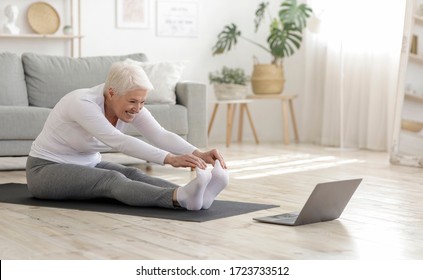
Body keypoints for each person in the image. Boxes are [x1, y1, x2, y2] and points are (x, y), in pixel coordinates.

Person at [26, 60, 229, 211]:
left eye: (143, 102)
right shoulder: (82, 103)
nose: (138, 108)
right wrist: (170, 159)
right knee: (112, 179)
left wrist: (198, 153)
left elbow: (159, 134)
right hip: (45, 170)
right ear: (112, 93)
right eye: (133, 102)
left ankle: (195, 196)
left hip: (88, 164)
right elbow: (119, 141)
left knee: (134, 174)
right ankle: (178, 197)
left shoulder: (129, 105)